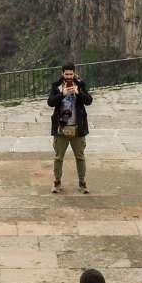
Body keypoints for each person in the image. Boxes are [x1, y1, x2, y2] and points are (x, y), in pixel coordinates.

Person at [47, 63, 93, 193]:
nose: (68, 76)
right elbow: (50, 102)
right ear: (62, 73)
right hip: (61, 128)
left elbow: (89, 101)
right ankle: (57, 182)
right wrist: (62, 93)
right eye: (66, 74)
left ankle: (82, 182)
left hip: (77, 127)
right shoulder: (56, 86)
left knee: (80, 157)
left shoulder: (80, 85)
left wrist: (78, 93)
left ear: (74, 73)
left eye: (70, 74)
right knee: (58, 157)